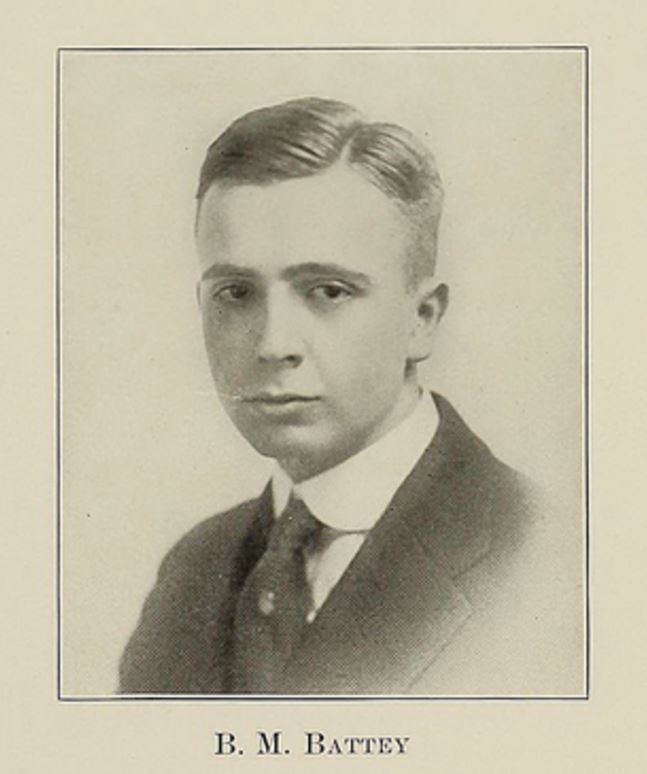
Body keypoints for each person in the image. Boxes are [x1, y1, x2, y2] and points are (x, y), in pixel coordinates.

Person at [119, 97, 574, 695]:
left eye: (328, 291)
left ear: (423, 319)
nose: (273, 343)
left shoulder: (553, 561)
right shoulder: (192, 573)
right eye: (235, 293)